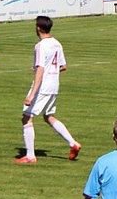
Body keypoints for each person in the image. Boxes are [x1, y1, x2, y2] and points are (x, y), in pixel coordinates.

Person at [16, 16, 81, 163]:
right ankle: (73, 143)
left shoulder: (40, 46)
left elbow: (40, 69)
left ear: (38, 28)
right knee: (48, 116)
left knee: (26, 117)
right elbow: (63, 66)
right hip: (54, 85)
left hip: (43, 86)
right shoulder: (57, 43)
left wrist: (32, 94)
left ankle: (30, 156)